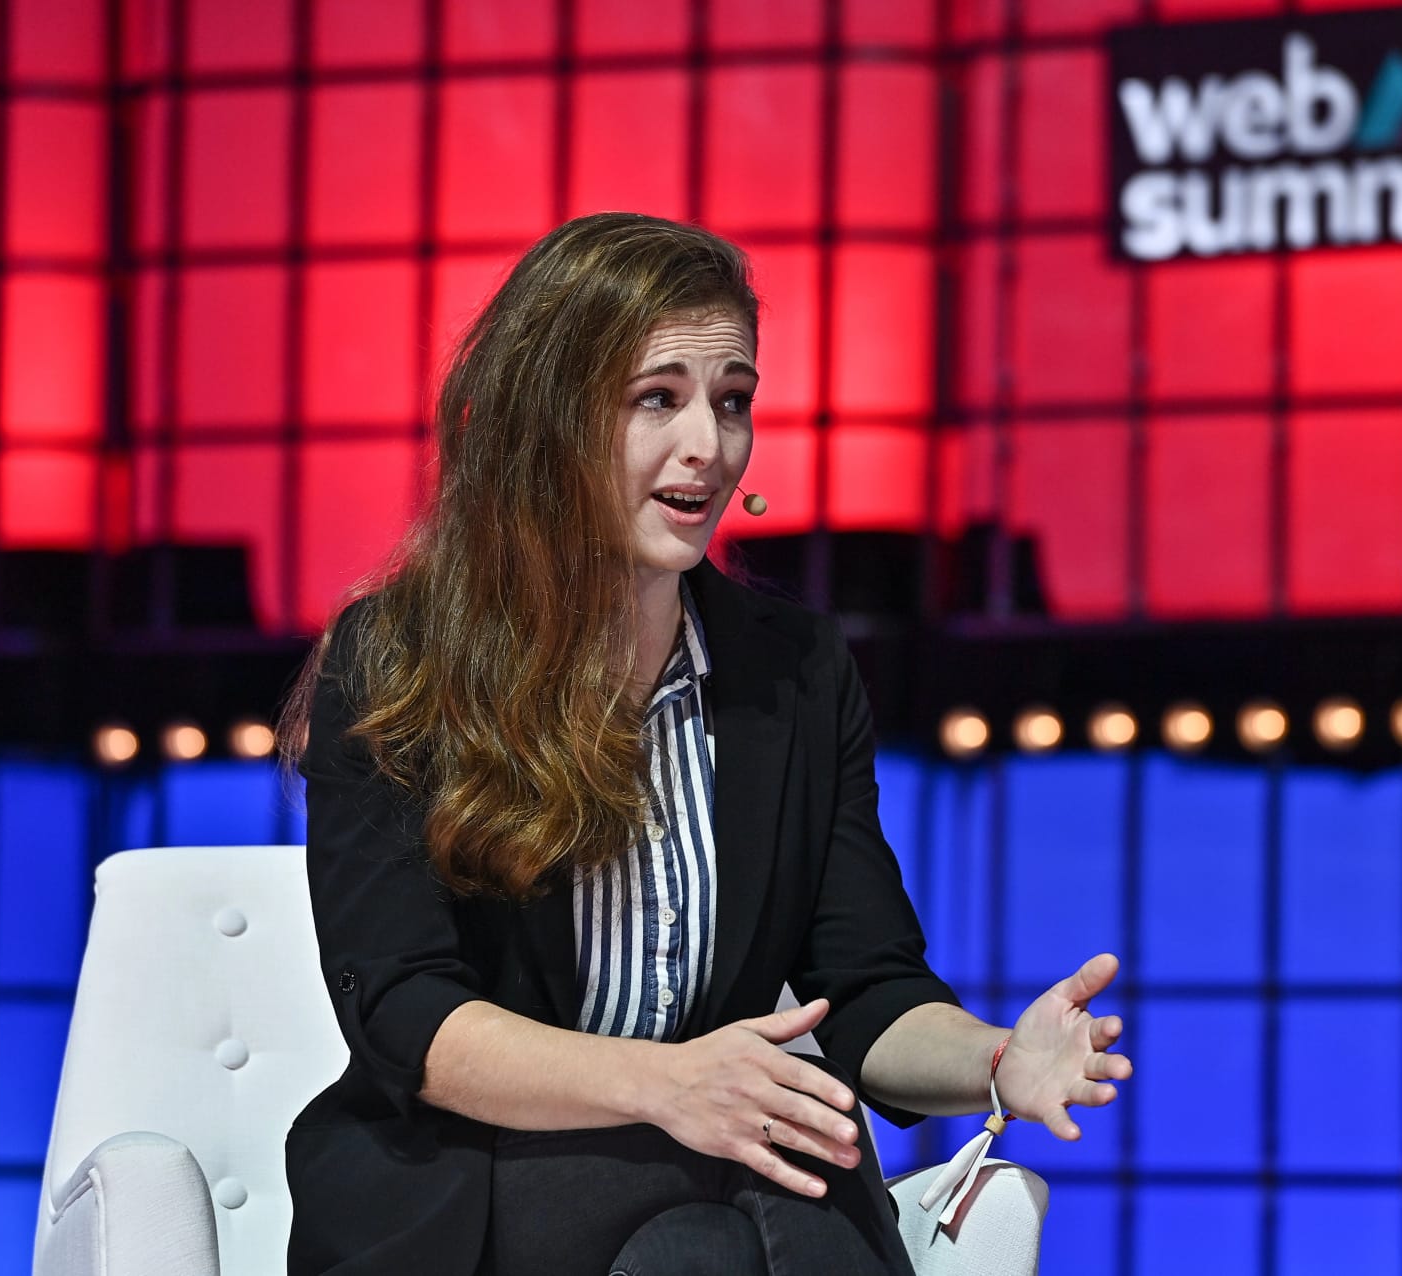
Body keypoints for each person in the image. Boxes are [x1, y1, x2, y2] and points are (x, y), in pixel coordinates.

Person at [278, 212, 1132, 1276]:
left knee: (715, 1234)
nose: (709, 447)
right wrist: (670, 1086)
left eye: (732, 401)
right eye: (657, 399)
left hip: (702, 1184)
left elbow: (867, 989)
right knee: (784, 1170)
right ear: (550, 420)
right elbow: (406, 1013)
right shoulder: (402, 656)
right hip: (467, 1186)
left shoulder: (796, 671)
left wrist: (1000, 1062)